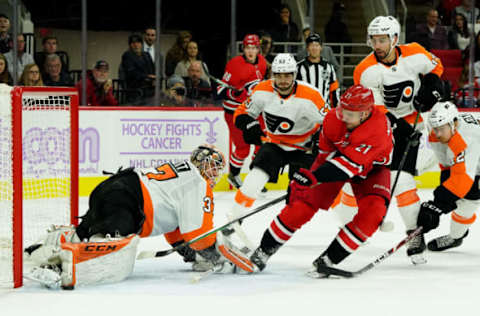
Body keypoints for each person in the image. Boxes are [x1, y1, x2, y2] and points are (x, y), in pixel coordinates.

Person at [24, 144, 253, 289]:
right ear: (203, 166)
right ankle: (61, 264)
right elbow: (197, 234)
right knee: (107, 248)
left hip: (111, 188)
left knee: (84, 233)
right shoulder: (198, 184)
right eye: (213, 168)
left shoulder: (182, 172)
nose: (214, 174)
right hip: (130, 203)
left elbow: (176, 231)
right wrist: (217, 254)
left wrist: (192, 256)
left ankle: (39, 251)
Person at [249, 85, 393, 277]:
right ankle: (263, 250)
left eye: (350, 114)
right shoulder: (334, 118)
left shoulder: (377, 128)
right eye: (343, 110)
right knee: (301, 205)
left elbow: (348, 166)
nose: (343, 116)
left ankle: (328, 260)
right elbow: (324, 157)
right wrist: (305, 182)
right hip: (337, 162)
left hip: (372, 170)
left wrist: (314, 177)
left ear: (365, 113)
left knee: (373, 213)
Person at [343, 15, 444, 264]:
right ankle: (365, 225)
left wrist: (431, 87)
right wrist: (399, 127)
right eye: (373, 40)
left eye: (382, 40)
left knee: (405, 179)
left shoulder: (415, 53)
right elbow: (374, 110)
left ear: (394, 39)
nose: (377, 45)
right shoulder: (365, 71)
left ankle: (417, 232)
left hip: (420, 122)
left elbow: (436, 68)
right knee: (383, 179)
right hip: (384, 128)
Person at [227, 53, 328, 248]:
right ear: (272, 74)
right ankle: (234, 220)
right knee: (253, 180)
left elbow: (332, 122)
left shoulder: (311, 95)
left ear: (295, 74)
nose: (282, 80)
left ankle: (345, 223)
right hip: (274, 144)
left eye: (287, 75)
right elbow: (242, 112)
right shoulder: (261, 90)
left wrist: (320, 139)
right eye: (278, 75)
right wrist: (249, 125)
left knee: (301, 197)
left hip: (304, 148)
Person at [415, 101, 479, 252]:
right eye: (434, 129)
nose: (437, 134)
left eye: (440, 129)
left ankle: (456, 237)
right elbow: (447, 166)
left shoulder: (467, 139)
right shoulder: (440, 131)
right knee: (454, 193)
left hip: (475, 166)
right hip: (471, 166)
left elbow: (463, 179)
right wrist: (439, 204)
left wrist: (438, 206)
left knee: (469, 202)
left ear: (454, 124)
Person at [217, 34, 267, 189]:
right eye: (247, 48)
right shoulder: (234, 64)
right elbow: (219, 90)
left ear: (258, 49)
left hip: (255, 111)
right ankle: (234, 175)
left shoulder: (263, 63)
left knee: (263, 143)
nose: (250, 51)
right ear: (243, 49)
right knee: (243, 149)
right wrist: (234, 93)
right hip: (235, 113)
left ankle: (254, 177)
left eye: (254, 48)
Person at [297, 33, 340, 108]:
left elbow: (334, 90)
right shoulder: (299, 67)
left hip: (324, 109)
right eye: (311, 45)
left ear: (321, 47)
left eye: (317, 45)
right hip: (304, 108)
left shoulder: (328, 67)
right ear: (307, 48)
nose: (314, 48)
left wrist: (336, 108)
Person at [121, 34, 156, 103]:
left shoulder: (147, 54)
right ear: (130, 45)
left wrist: (154, 78)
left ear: (141, 44)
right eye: (133, 43)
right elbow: (131, 72)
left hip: (149, 88)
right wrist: (146, 76)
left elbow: (152, 69)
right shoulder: (127, 55)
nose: (136, 45)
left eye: (138, 42)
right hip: (135, 89)